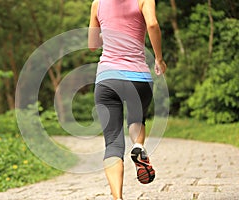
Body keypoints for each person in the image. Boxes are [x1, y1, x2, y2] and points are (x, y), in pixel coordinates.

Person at [88, 0, 167, 199]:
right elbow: (152, 24)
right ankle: (138, 147)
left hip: (107, 79)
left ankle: (117, 197)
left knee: (112, 143)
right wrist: (159, 58)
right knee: (136, 120)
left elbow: (92, 45)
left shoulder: (97, 3)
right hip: (137, 78)